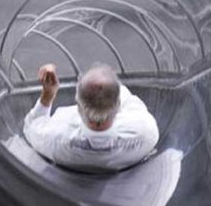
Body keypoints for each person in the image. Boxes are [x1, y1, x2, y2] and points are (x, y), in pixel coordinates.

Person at [23, 62, 159, 173]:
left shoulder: (54, 139)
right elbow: (128, 100)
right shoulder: (147, 132)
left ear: (78, 104)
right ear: (117, 106)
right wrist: (107, 87)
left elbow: (31, 126)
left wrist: (48, 94)